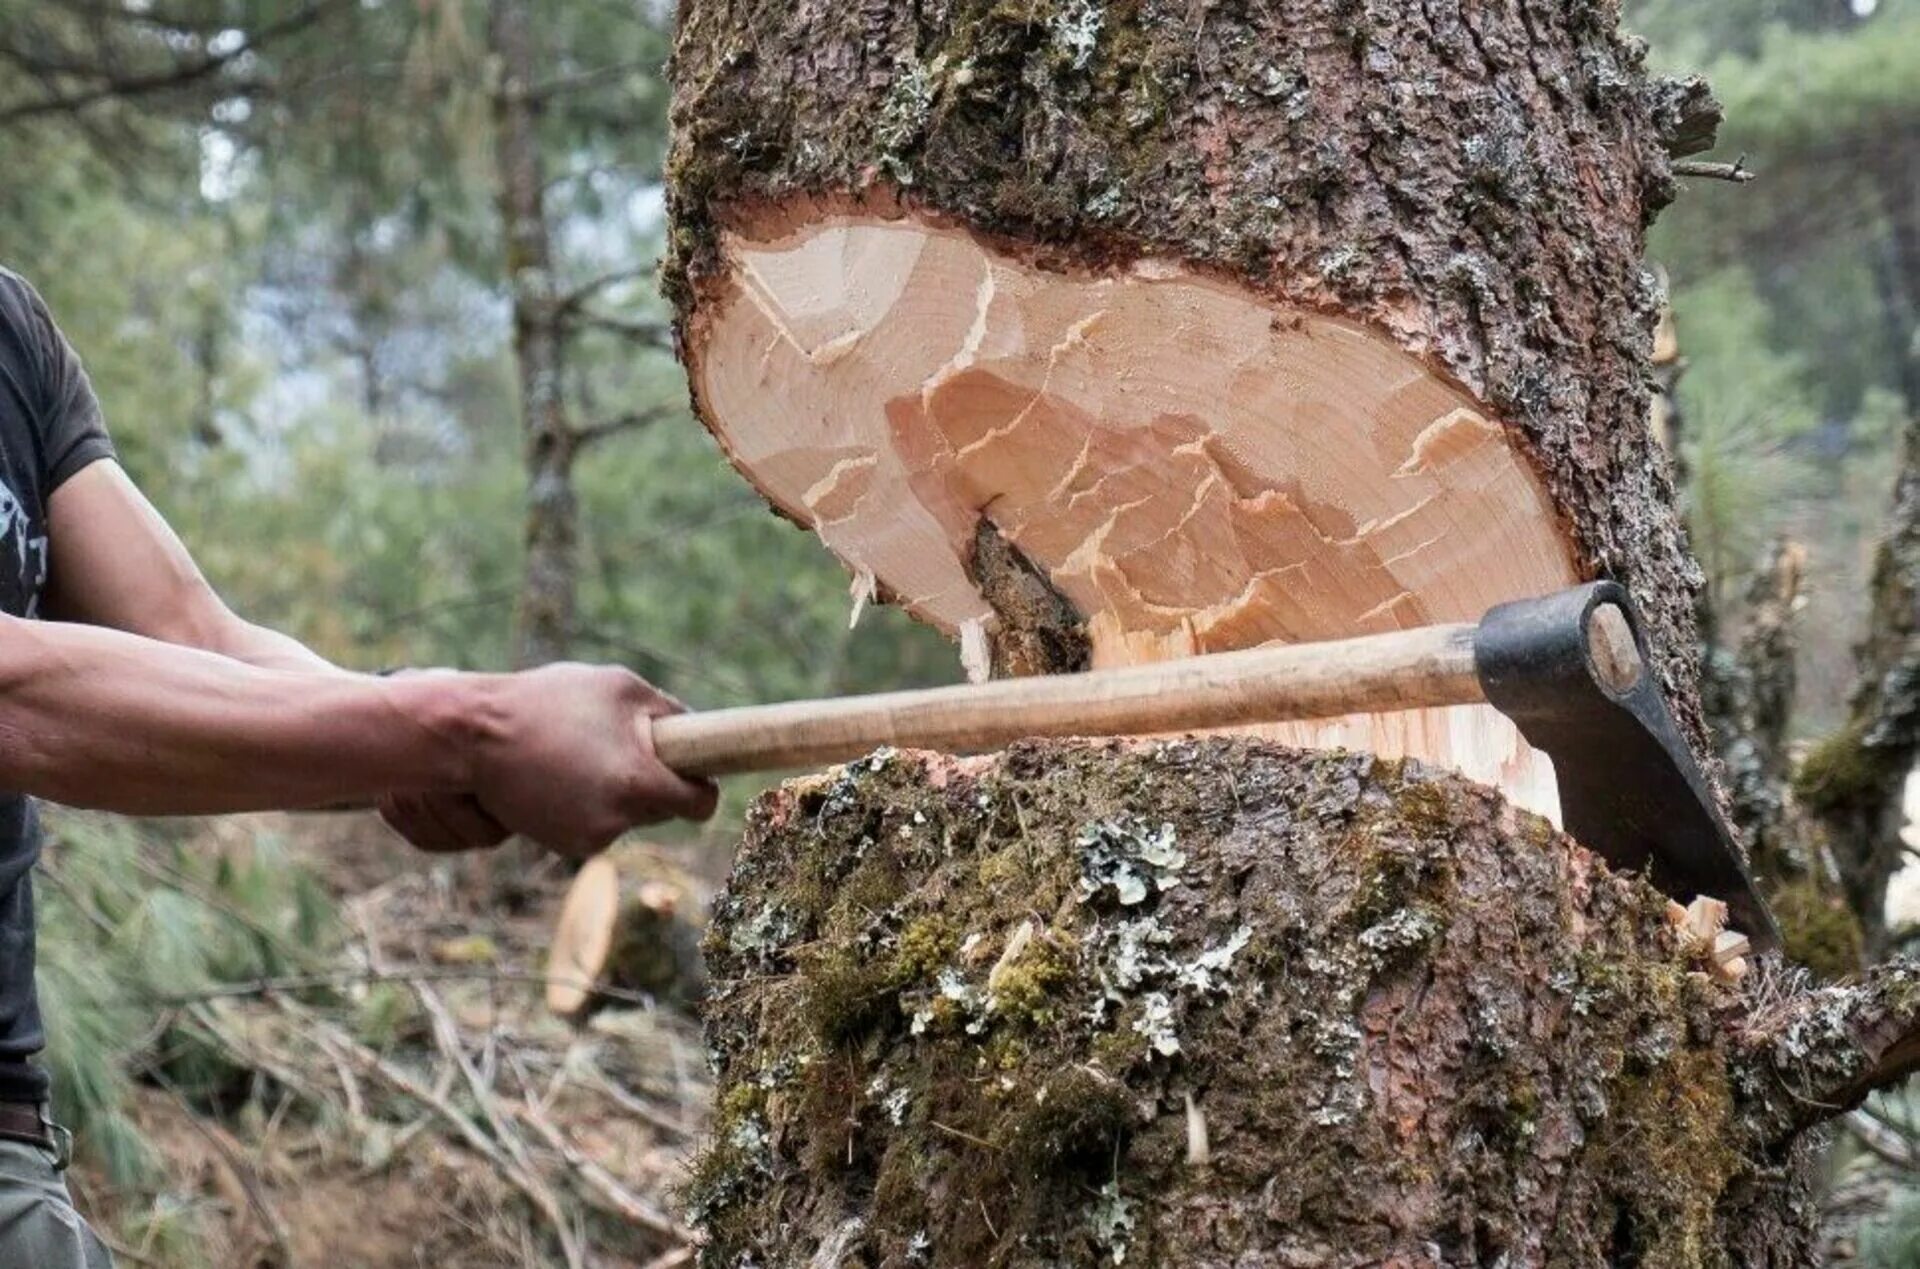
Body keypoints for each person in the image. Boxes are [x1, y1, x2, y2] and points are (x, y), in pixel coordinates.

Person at [0, 267, 719, 1265]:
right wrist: (463, 727)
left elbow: (190, 632)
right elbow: (17, 696)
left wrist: (413, 750)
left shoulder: (11, 334)